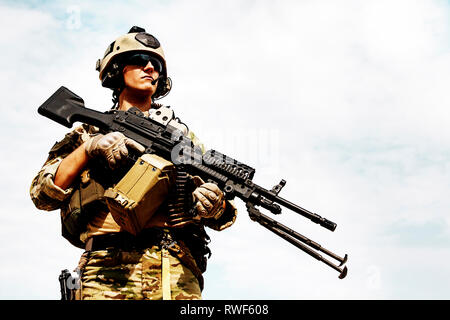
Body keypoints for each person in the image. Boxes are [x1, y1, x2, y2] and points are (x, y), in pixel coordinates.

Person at [30, 26, 237, 300]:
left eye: (156, 65)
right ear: (116, 69)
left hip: (173, 272)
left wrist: (213, 204)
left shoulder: (184, 140)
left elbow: (224, 212)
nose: (150, 67)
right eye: (139, 59)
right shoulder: (87, 133)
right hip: (106, 272)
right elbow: (42, 195)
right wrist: (89, 149)